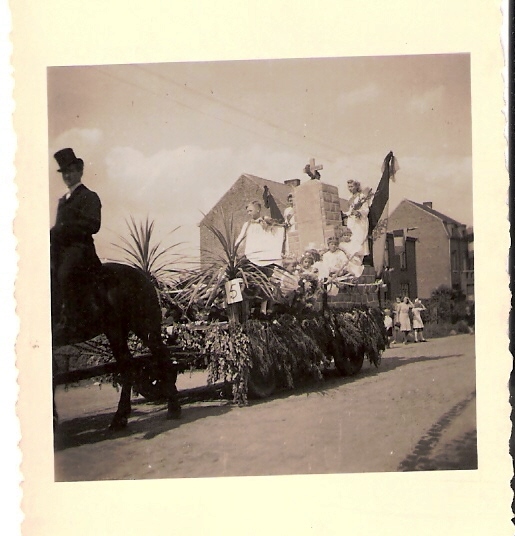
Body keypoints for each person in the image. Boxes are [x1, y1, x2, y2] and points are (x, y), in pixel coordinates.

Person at [50, 148, 102, 336]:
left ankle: (71, 320)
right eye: (64, 172)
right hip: (61, 249)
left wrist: (65, 228)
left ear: (80, 171)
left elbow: (94, 224)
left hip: (80, 248)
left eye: (71, 171)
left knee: (65, 273)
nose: (67, 176)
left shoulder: (89, 196)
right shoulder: (62, 201)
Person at [340, 180, 373, 264]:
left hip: (359, 221)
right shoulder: (350, 198)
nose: (350, 188)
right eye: (349, 187)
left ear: (356, 187)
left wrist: (359, 212)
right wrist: (347, 213)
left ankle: (359, 261)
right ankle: (353, 261)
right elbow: (349, 210)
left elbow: (366, 209)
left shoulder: (361, 196)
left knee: (359, 239)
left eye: (352, 186)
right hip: (352, 221)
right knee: (351, 239)